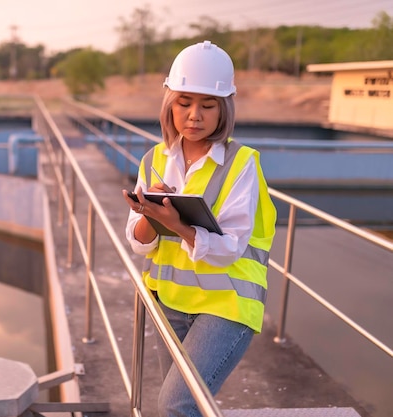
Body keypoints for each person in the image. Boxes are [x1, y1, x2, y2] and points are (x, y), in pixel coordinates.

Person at [122, 40, 277, 417]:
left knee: (177, 404)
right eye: (184, 103)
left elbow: (231, 248)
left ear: (224, 109)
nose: (194, 115)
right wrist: (149, 215)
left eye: (208, 106)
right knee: (184, 408)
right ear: (169, 104)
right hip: (171, 299)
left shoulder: (241, 164)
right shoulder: (154, 159)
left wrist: (180, 224)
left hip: (227, 306)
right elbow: (139, 244)